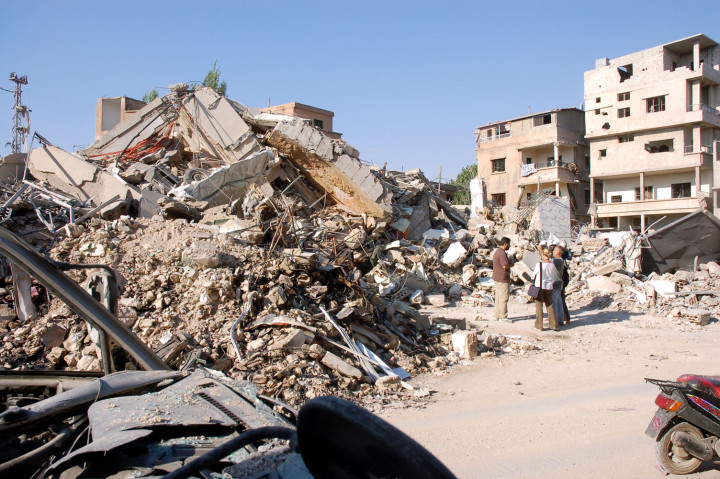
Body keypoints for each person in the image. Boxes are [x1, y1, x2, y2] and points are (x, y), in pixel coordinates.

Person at [532, 247, 560, 331]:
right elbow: (555, 277)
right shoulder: (552, 265)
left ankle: (539, 325)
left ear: (543, 255)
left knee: (539, 306)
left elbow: (533, 276)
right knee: (550, 306)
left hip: (539, 287)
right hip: (549, 287)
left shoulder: (539, 265)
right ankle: (553, 324)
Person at [492, 237, 513, 321]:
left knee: (498, 298)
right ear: (505, 244)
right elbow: (504, 266)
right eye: (509, 244)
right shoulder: (502, 253)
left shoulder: (497, 251)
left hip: (497, 277)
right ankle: (503, 316)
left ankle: (496, 315)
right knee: (503, 298)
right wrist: (511, 264)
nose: (509, 246)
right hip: (502, 278)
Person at [552, 246, 568, 325]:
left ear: (558, 252)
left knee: (554, 303)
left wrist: (541, 251)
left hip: (555, 283)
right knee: (559, 302)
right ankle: (560, 319)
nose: (553, 251)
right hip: (559, 283)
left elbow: (546, 261)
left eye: (554, 250)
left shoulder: (557, 261)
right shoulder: (561, 261)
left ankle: (554, 320)